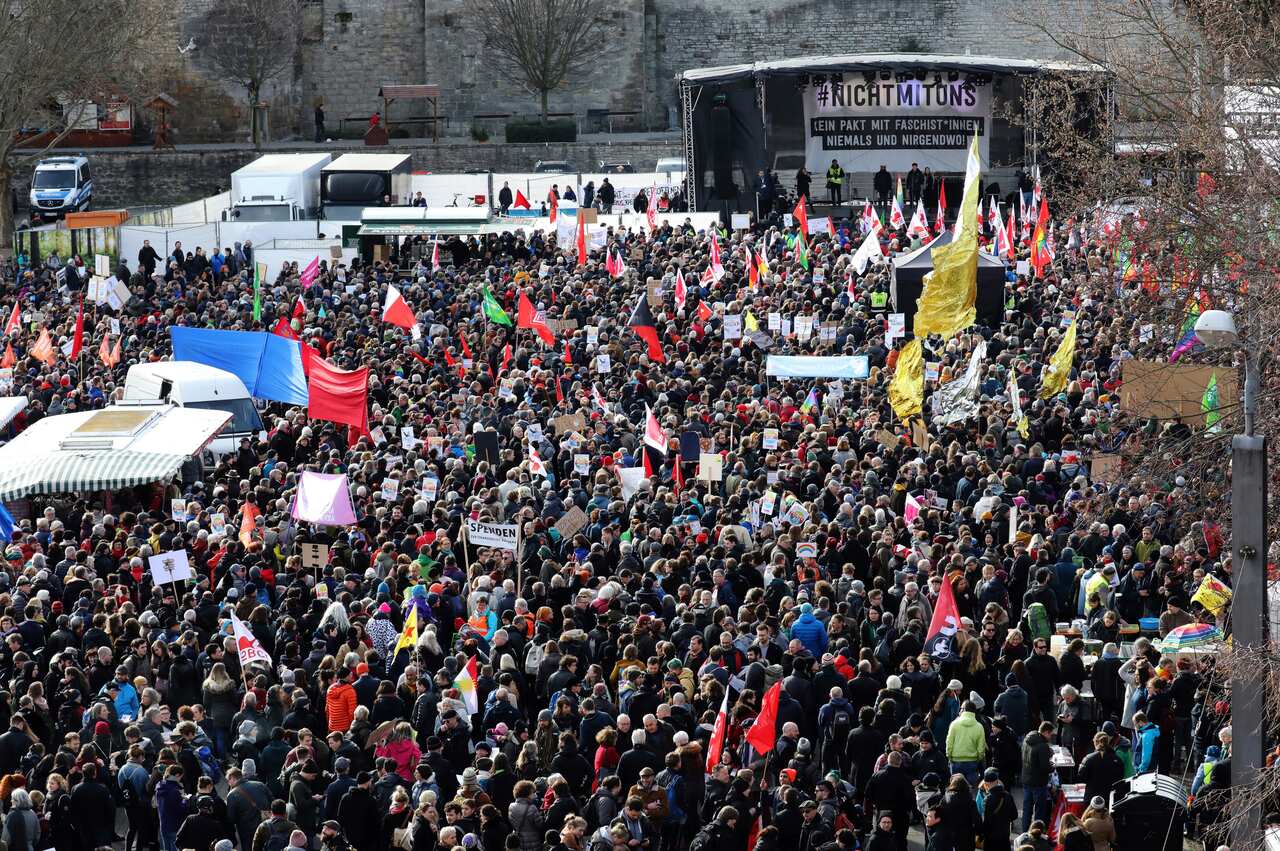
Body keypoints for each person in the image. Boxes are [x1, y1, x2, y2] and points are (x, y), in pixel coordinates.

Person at [1020, 722, 1054, 833]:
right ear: (1046, 732)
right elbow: (1045, 767)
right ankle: (1037, 834)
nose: (1051, 737)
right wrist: (1052, 767)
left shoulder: (1027, 739)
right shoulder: (1042, 746)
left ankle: (1025, 832)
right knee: (1039, 811)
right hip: (1038, 782)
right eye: (1050, 734)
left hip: (1026, 779)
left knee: (1027, 809)